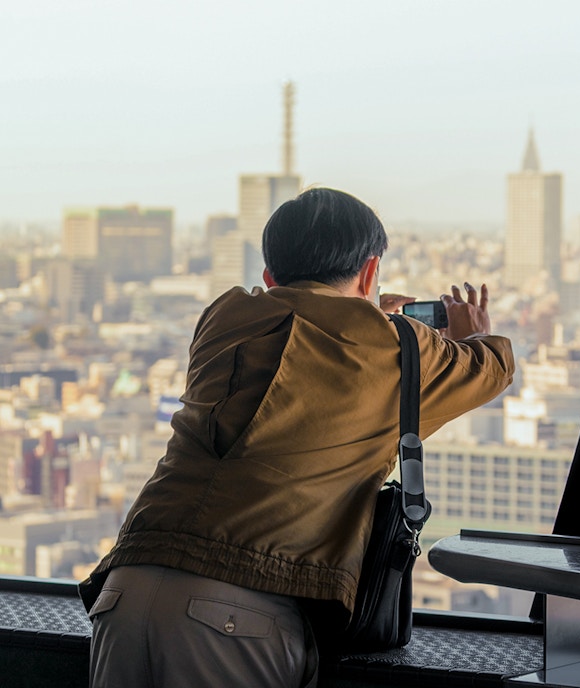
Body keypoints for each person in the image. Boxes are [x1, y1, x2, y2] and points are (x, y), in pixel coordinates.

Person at [79, 187, 515, 687]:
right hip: (240, 613)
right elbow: (492, 368)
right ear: (371, 272)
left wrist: (379, 321)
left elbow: (302, 341)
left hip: (124, 594)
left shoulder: (223, 318)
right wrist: (472, 333)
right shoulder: (397, 347)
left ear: (269, 276)